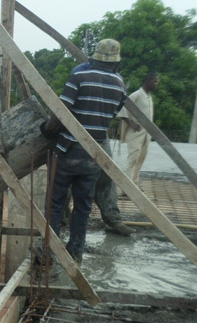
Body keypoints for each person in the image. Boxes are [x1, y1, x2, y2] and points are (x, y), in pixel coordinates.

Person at [40, 39, 127, 264]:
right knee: (83, 206)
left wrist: (48, 130)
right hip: (94, 154)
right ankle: (75, 252)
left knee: (55, 203)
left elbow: (61, 111)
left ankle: (48, 253)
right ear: (115, 63)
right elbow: (114, 112)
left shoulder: (79, 76)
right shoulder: (119, 83)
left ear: (95, 58)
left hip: (68, 149)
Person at [118, 71, 160, 187]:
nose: (156, 84)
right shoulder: (137, 95)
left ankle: (134, 185)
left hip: (146, 135)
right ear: (148, 81)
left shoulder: (149, 97)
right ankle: (127, 188)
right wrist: (131, 123)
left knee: (140, 160)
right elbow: (122, 110)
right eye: (155, 81)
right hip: (135, 133)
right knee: (132, 160)